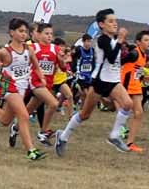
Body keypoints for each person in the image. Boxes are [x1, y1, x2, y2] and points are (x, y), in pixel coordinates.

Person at [56, 9, 135, 155]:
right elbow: (111, 57)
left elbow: (116, 61)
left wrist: (129, 57)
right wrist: (121, 40)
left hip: (113, 81)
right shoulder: (102, 39)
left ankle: (114, 135)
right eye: (110, 21)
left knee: (128, 104)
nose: (115, 24)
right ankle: (63, 136)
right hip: (100, 81)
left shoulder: (113, 40)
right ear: (101, 24)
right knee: (85, 115)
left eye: (115, 21)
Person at [0, 18, 48, 161]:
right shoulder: (5, 52)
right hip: (9, 86)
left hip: (22, 87)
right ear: (12, 32)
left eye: (25, 31)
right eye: (20, 31)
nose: (24, 34)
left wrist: (41, 77)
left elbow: (36, 66)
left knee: (5, 120)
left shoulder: (29, 50)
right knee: (23, 115)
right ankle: (31, 151)